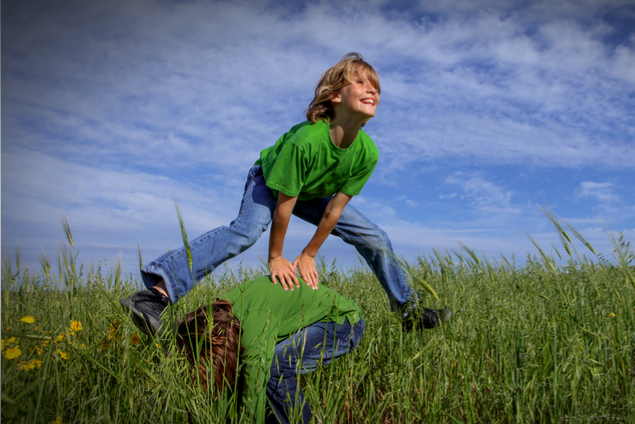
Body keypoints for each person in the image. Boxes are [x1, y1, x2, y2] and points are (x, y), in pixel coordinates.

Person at [120, 53, 450, 336]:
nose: (372, 90)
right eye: (361, 83)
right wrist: (276, 257)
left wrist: (308, 254)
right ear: (334, 96)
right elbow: (283, 210)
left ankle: (409, 311)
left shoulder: (367, 153)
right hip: (271, 181)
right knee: (246, 232)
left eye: (376, 86)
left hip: (313, 194)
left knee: (375, 237)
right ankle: (154, 296)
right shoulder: (306, 141)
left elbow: (333, 211)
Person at [175, 276, 364, 424]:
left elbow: (254, 390)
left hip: (341, 323)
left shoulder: (251, 326)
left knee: (273, 368)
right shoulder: (225, 311)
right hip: (312, 321)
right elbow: (228, 386)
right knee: (244, 377)